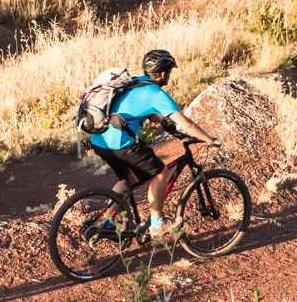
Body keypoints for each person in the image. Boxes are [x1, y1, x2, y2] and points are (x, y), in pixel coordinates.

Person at [86, 49, 219, 240]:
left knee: (127, 179)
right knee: (160, 171)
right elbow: (187, 124)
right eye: (169, 71)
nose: (169, 75)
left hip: (100, 141)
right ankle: (157, 223)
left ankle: (108, 222)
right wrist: (209, 139)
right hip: (121, 144)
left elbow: (143, 111)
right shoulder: (155, 93)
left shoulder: (134, 83)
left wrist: (165, 124)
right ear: (163, 72)